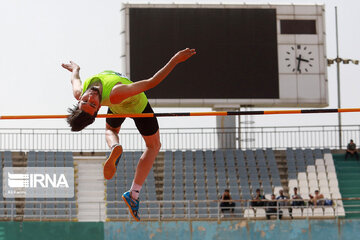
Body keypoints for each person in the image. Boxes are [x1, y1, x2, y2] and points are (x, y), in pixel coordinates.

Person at [62, 48, 196, 221]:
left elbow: (75, 79)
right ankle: (133, 193)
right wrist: (175, 60)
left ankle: (115, 148)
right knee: (153, 146)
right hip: (137, 106)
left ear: (79, 99)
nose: (91, 97)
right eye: (93, 104)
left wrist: (75, 69)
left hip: (117, 106)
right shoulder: (116, 93)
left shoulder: (79, 92)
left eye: (87, 100)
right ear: (99, 109)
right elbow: (151, 82)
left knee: (111, 130)